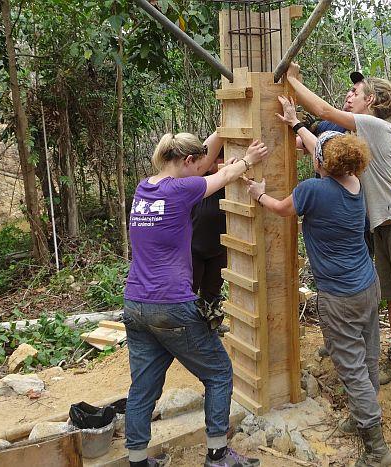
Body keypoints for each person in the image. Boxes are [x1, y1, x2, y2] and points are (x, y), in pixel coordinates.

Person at [281, 62, 391, 392]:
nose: (350, 96)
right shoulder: (356, 133)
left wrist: (291, 80)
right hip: (385, 225)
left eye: (356, 92)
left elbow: (320, 108)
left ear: (370, 100)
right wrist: (297, 128)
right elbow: (322, 149)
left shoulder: (374, 125)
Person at [245, 129, 391, 467]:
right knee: (368, 357)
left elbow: (282, 209)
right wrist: (299, 126)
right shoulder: (355, 184)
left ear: (322, 162)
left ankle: (377, 450)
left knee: (352, 369)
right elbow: (326, 155)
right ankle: (362, 419)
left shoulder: (312, 190)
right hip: (367, 286)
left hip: (339, 295)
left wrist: (258, 194)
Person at [123, 132, 268, 467]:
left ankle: (137, 460)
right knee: (218, 373)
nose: (200, 170)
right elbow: (224, 176)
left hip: (135, 303)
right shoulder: (182, 188)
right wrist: (249, 159)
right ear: (186, 162)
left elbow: (211, 176)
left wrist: (223, 168)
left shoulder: (144, 189)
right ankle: (217, 454)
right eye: (196, 164)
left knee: (143, 387)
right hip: (172, 305)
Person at [191, 145, 229, 335]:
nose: (218, 164)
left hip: (219, 248)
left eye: (220, 160)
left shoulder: (230, 184)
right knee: (190, 290)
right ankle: (190, 328)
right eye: (215, 160)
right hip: (193, 250)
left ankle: (213, 323)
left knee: (213, 290)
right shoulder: (199, 181)